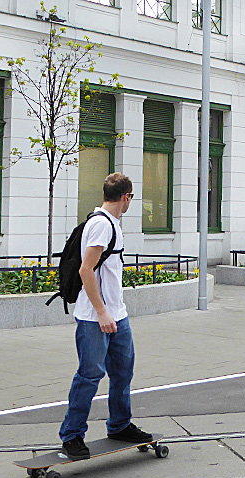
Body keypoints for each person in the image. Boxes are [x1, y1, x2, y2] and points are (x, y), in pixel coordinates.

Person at [59, 173, 152, 461]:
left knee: (122, 373)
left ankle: (120, 425)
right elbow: (86, 270)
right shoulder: (101, 225)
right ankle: (72, 436)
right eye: (131, 198)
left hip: (117, 315)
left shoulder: (110, 223)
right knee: (90, 375)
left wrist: (112, 312)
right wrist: (101, 313)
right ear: (126, 197)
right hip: (94, 318)